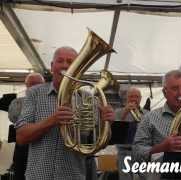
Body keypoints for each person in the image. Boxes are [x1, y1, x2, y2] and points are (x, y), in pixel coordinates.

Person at [15, 46, 115, 180]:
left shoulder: (88, 98)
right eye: (60, 61)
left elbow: (94, 146)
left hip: (73, 175)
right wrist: (52, 120)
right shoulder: (35, 93)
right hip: (38, 176)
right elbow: (21, 137)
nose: (65, 65)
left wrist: (105, 124)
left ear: (77, 68)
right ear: (52, 66)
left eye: (70, 62)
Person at [8, 73, 45, 180]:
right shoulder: (17, 102)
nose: (35, 87)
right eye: (32, 84)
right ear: (26, 86)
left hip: (42, 149)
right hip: (23, 148)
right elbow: (14, 118)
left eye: (38, 84)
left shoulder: (51, 101)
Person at [115, 87, 149, 180]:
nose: (134, 99)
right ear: (126, 98)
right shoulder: (118, 112)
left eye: (136, 97)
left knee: (146, 177)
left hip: (141, 152)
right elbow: (114, 131)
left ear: (140, 98)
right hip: (124, 152)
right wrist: (125, 113)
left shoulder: (147, 113)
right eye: (131, 96)